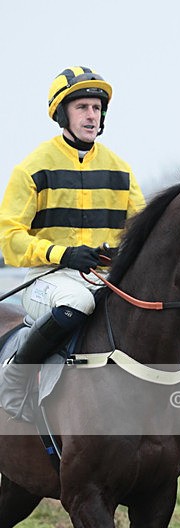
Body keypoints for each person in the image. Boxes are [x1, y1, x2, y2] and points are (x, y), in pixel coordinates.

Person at [0, 65, 144, 374]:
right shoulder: (32, 168)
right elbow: (11, 240)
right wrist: (62, 254)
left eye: (97, 108)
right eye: (82, 107)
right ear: (62, 115)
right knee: (79, 301)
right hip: (46, 279)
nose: (92, 115)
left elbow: (139, 233)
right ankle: (16, 374)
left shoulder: (121, 171)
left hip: (104, 279)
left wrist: (118, 252)